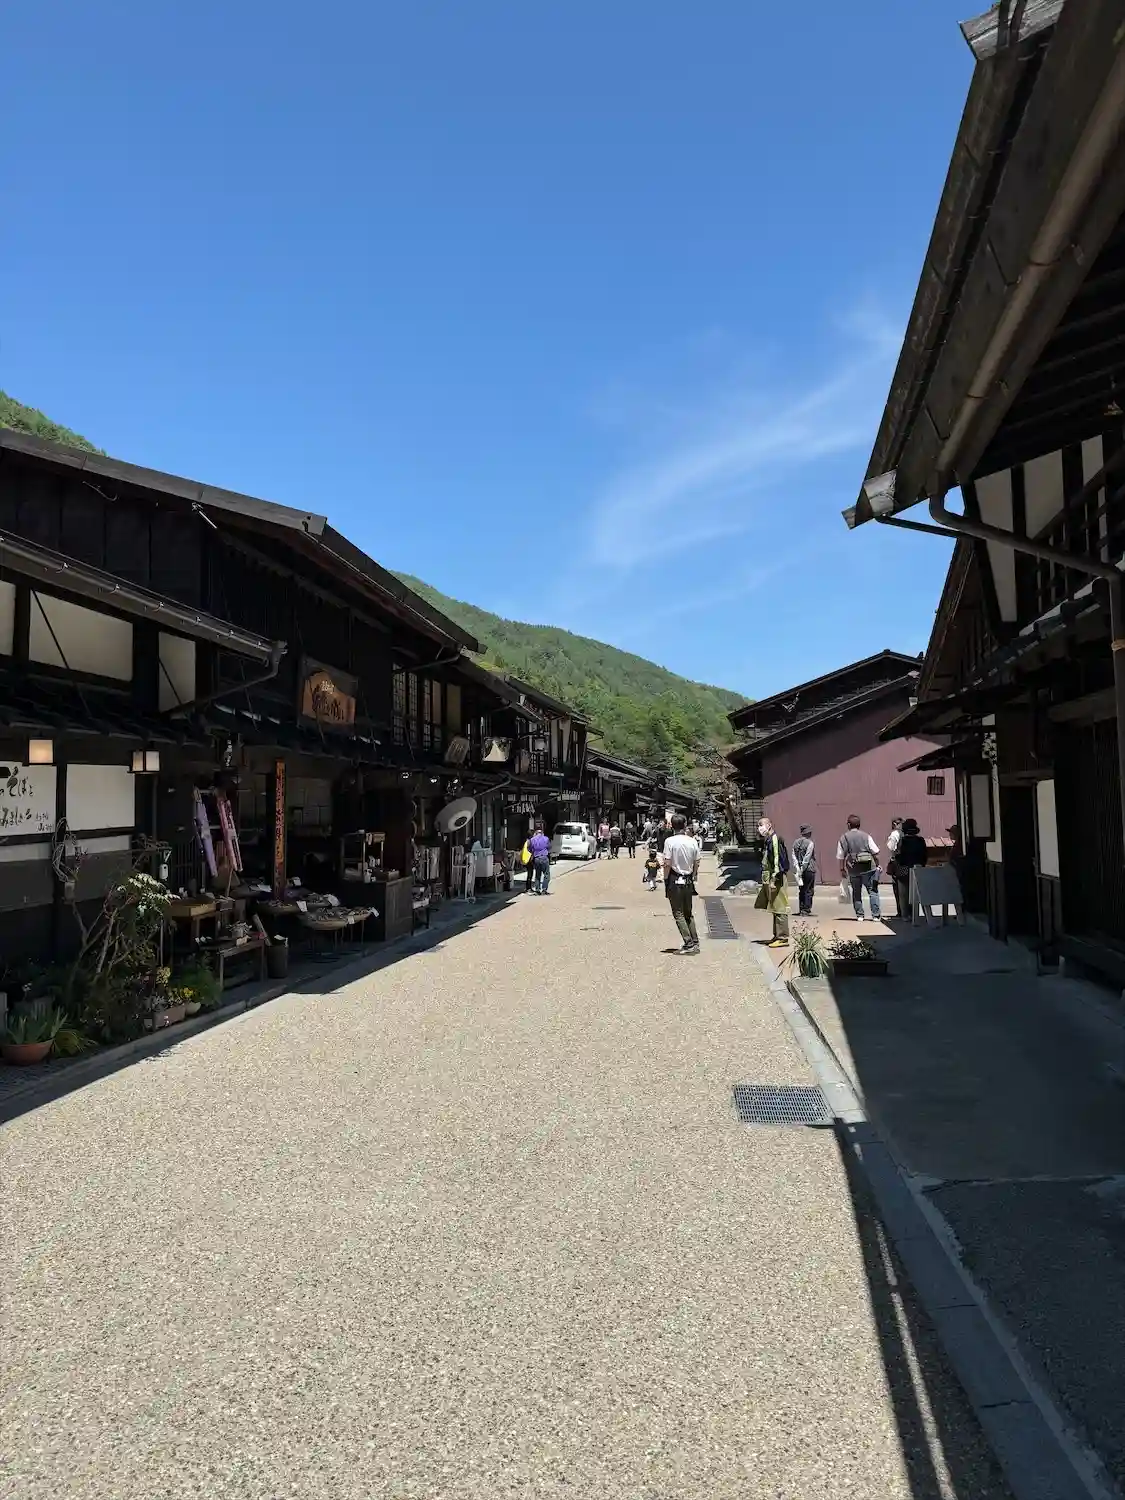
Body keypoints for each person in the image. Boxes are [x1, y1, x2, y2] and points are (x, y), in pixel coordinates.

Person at [661, 813, 701, 954]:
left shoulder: (669, 841)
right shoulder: (692, 841)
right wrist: (694, 874)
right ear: (684, 825)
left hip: (674, 878)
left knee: (678, 913)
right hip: (688, 878)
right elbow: (697, 861)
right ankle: (695, 942)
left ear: (671, 826)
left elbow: (667, 863)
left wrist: (666, 879)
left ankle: (688, 943)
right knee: (688, 913)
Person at [837, 814, 881, 921]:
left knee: (856, 892)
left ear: (849, 824)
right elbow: (875, 852)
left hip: (853, 869)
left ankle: (860, 915)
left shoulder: (844, 838)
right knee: (873, 891)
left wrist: (842, 869)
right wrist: (878, 864)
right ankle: (875, 916)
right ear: (859, 824)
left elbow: (841, 856)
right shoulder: (866, 836)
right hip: (869, 868)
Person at [754, 817, 790, 948]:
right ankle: (777, 935)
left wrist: (774, 880)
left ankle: (782, 937)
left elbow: (777, 861)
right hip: (769, 878)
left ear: (769, 825)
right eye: (758, 825)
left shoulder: (774, 839)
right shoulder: (768, 840)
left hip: (776, 878)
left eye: (761, 825)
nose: (759, 828)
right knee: (774, 907)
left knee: (780, 908)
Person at [892, 817, 928, 920]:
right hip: (918, 869)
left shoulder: (902, 841)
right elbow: (925, 855)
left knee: (903, 894)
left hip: (904, 870)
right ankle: (918, 913)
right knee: (919, 893)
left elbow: (898, 856)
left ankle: (905, 915)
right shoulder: (920, 840)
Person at [792, 824, 816, 917]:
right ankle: (806, 909)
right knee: (809, 889)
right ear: (808, 833)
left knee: (801, 889)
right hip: (809, 869)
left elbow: (793, 856)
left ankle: (801, 908)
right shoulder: (810, 843)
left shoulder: (795, 843)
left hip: (799, 869)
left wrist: (798, 868)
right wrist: (802, 868)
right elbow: (807, 857)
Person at [885, 817, 904, 917]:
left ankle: (901, 910)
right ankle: (909, 910)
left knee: (897, 888)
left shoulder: (895, 834)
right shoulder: (905, 833)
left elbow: (891, 847)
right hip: (908, 863)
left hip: (897, 863)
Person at [527, 821, 552, 894]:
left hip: (536, 858)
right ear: (542, 832)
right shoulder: (546, 838)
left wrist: (533, 851)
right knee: (546, 874)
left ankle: (537, 890)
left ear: (536, 832)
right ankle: (544, 889)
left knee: (537, 875)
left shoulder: (532, 840)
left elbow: (529, 848)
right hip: (544, 857)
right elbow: (549, 847)